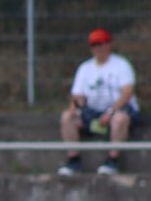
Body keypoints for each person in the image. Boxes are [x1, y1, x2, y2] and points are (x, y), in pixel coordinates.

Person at [58, 28, 141, 176]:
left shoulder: (121, 65)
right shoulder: (85, 68)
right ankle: (73, 161)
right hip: (93, 112)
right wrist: (76, 109)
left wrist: (110, 112)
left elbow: (127, 93)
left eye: (101, 44)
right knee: (67, 117)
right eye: (94, 45)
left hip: (117, 110)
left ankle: (112, 160)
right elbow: (77, 96)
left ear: (109, 44)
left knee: (119, 118)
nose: (97, 48)